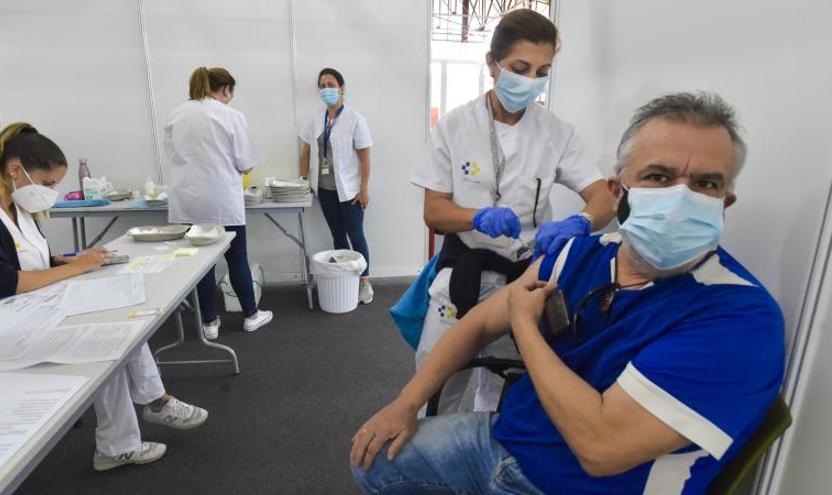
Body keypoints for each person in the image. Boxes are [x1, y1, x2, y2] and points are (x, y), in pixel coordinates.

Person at [351, 92, 785, 494]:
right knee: (374, 461)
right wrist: (405, 403)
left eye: (706, 185)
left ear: (725, 203)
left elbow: (600, 450)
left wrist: (525, 324)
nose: (680, 199)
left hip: (580, 485)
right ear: (618, 192)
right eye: (659, 176)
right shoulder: (582, 254)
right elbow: (480, 321)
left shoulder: (738, 319)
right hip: (511, 436)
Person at [0, 123, 208, 471]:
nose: (51, 192)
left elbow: (24, 259)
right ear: (15, 170)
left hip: (22, 314)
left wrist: (66, 260)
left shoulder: (17, 211)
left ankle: (151, 406)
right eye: (47, 184)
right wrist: (77, 268)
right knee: (105, 340)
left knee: (122, 317)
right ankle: (131, 431)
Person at [411, 9, 615, 414]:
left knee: (508, 383)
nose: (531, 82)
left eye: (543, 71)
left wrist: (582, 221)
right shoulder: (455, 127)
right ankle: (426, 454)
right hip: (465, 273)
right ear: (492, 64)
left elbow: (604, 196)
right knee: (436, 380)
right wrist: (476, 217)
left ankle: (487, 452)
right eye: (520, 68)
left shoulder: (555, 132)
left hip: (525, 276)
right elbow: (434, 212)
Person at [165, 66, 273, 339]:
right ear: (226, 90)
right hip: (222, 201)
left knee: (202, 263)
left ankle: (209, 323)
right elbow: (247, 164)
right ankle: (251, 315)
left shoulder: (176, 115)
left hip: (188, 201)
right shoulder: (231, 116)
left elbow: (173, 156)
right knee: (236, 258)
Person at [299, 68, 374, 304]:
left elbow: (365, 157)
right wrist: (303, 181)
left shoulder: (355, 119)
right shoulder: (316, 117)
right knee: (337, 236)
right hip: (325, 190)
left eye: (330, 84)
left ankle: (364, 281)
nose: (326, 89)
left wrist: (363, 189)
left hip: (349, 191)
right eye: (322, 85)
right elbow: (306, 151)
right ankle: (346, 279)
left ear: (342, 88)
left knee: (357, 237)